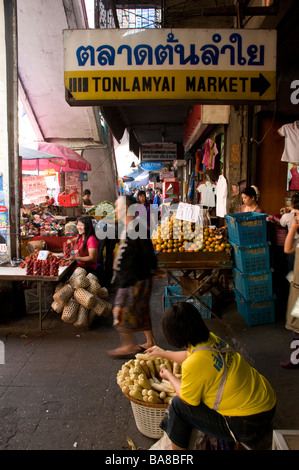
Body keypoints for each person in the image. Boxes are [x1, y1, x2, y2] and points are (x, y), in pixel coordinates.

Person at [146, 302, 276, 450]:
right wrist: (163, 353)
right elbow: (191, 355)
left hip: (249, 423)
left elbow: (186, 399)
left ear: (174, 335)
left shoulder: (194, 364)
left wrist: (170, 376)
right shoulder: (211, 339)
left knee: (178, 407)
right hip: (267, 403)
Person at [108, 195, 157, 358]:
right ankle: (150, 342)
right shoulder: (128, 226)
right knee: (141, 310)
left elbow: (147, 253)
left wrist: (151, 271)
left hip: (134, 278)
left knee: (120, 311)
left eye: (118, 207)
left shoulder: (137, 227)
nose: (115, 210)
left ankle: (128, 345)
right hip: (133, 277)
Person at [281, 211, 299, 369]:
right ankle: (296, 359)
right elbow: (287, 249)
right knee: (296, 327)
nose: (296, 218)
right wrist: (293, 227)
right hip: (297, 287)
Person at [280, 193, 299, 271]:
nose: (296, 217)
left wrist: (294, 227)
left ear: (291, 203)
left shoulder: (287, 216)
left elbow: (287, 249)